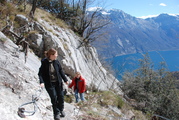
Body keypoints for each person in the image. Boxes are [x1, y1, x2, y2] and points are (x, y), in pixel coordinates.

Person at [38, 48, 68, 120]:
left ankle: (61, 109)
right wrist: (42, 82)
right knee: (54, 98)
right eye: (56, 54)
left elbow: (61, 71)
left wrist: (65, 80)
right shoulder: (44, 62)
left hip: (58, 83)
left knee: (61, 97)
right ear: (51, 55)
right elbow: (40, 73)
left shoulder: (56, 62)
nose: (57, 56)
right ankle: (56, 113)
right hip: (50, 84)